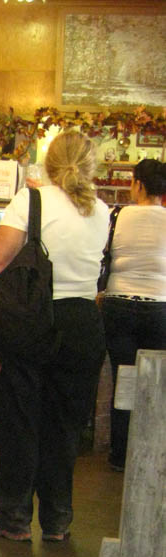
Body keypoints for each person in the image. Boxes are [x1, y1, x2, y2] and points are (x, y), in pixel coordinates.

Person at [0, 130, 109, 542]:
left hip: (32, 319)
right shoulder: (101, 210)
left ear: (49, 162)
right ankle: (57, 520)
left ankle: (14, 517)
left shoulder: (29, 201)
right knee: (64, 426)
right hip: (83, 324)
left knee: (21, 420)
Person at [100, 158, 166, 471]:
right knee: (154, 381)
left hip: (118, 306)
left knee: (124, 377)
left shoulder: (117, 215)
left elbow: (104, 255)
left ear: (138, 183)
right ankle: (150, 453)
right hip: (159, 308)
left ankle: (119, 454)